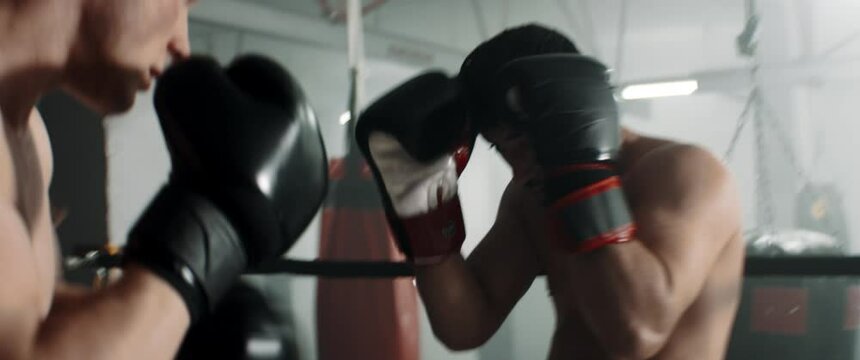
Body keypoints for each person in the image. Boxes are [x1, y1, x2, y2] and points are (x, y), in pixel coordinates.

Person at [358, 24, 744, 359]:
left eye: (523, 145)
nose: (519, 168)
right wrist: (421, 205)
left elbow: (636, 332)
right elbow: (466, 325)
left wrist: (579, 173)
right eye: (503, 151)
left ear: (574, 106)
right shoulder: (529, 196)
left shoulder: (685, 172)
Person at [0, 1, 327, 359]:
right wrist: (209, 233)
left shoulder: (28, 137)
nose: (181, 45)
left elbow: (32, 315)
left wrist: (162, 320)